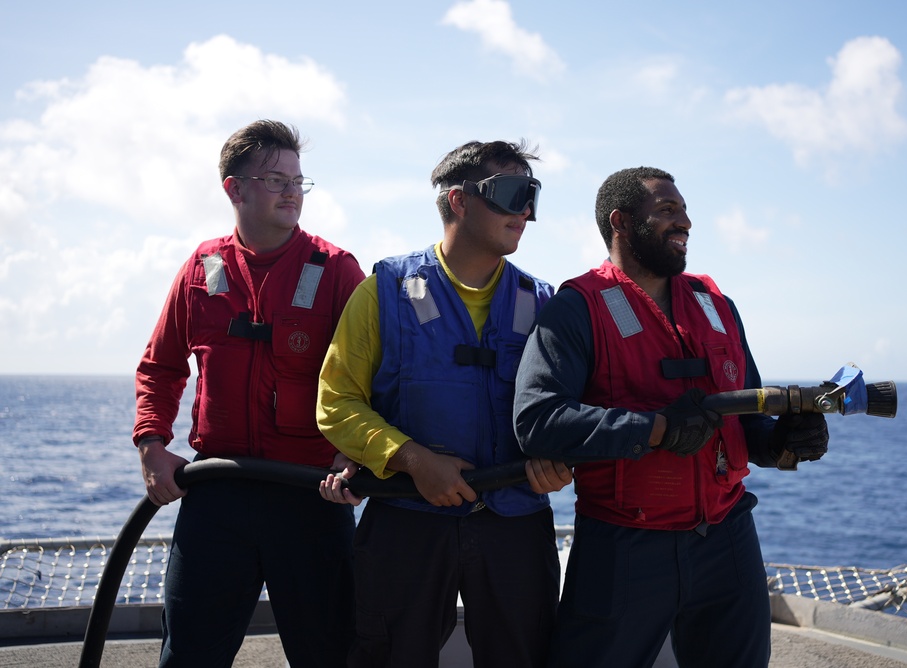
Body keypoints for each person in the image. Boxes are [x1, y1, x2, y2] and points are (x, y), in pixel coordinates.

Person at [513, 167, 830, 668]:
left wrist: (784, 442)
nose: (684, 222)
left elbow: (746, 421)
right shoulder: (578, 309)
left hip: (726, 538)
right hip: (624, 545)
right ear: (620, 222)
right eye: (667, 211)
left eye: (683, 210)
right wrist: (655, 428)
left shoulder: (716, 305)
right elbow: (537, 420)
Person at [316, 140, 573, 668]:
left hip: (516, 522)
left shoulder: (545, 303)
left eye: (532, 196)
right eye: (511, 193)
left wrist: (559, 460)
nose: (524, 210)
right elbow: (336, 401)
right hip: (406, 522)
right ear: (458, 201)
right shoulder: (383, 291)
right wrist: (414, 460)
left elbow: (569, 408)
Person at [132, 120, 365, 668]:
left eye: (299, 181)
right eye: (276, 178)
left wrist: (355, 453)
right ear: (234, 189)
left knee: (330, 655)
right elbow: (161, 366)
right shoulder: (201, 268)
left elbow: (374, 378)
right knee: (189, 656)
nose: (291, 191)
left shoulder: (335, 271)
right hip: (218, 493)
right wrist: (151, 443)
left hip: (310, 494)